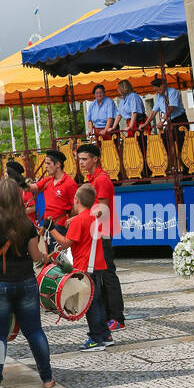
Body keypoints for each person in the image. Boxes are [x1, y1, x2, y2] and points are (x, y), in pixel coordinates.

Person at [0, 177, 55, 388]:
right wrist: (45, 256)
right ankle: (47, 378)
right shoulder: (26, 224)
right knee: (35, 331)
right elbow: (36, 255)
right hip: (26, 283)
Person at [54, 185, 114, 351]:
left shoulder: (79, 220)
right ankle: (105, 334)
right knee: (98, 300)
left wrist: (51, 229)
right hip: (97, 263)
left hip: (85, 265)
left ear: (77, 201)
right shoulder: (93, 217)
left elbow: (66, 242)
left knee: (90, 303)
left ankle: (95, 339)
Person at [75, 141, 125, 331]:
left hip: (102, 231)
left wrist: (80, 218)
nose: (81, 163)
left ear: (95, 159)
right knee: (99, 275)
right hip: (95, 233)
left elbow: (101, 210)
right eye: (79, 159)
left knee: (107, 275)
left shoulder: (101, 179)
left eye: (85, 159)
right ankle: (107, 315)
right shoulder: (92, 179)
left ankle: (117, 317)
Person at [27, 150, 77, 254]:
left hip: (61, 228)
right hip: (48, 227)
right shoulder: (48, 181)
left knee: (59, 260)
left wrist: (71, 220)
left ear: (58, 164)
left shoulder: (69, 183)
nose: (45, 166)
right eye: (45, 163)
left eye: (48, 163)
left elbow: (76, 207)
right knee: (50, 260)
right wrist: (17, 179)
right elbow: (31, 188)